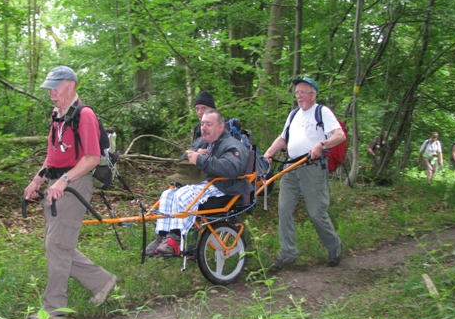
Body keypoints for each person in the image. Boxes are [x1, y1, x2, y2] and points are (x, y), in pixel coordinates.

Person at [23, 66, 117, 319]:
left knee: (57, 245)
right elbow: (52, 156)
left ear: (71, 85)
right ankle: (102, 281)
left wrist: (64, 181)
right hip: (57, 183)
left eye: (56, 88)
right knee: (59, 244)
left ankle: (54, 307)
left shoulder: (84, 115)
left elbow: (92, 158)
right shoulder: (58, 115)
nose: (51, 93)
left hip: (75, 184)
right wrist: (37, 179)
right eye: (50, 89)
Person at [263, 77, 346, 268]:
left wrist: (321, 145)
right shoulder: (293, 115)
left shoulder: (321, 112)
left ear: (313, 94)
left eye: (302, 92)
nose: (298, 96)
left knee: (316, 212)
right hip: (290, 168)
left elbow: (339, 135)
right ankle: (288, 253)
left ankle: (334, 245)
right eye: (297, 92)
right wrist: (269, 153)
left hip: (313, 168)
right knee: (284, 210)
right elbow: (283, 138)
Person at [146, 109, 253, 256]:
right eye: (202, 124)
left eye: (209, 124)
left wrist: (201, 160)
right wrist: (194, 154)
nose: (204, 128)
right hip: (204, 182)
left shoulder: (232, 144)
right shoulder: (202, 141)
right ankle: (164, 236)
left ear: (220, 127)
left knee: (182, 195)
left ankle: (176, 240)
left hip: (224, 186)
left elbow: (231, 169)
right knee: (167, 195)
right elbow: (182, 159)